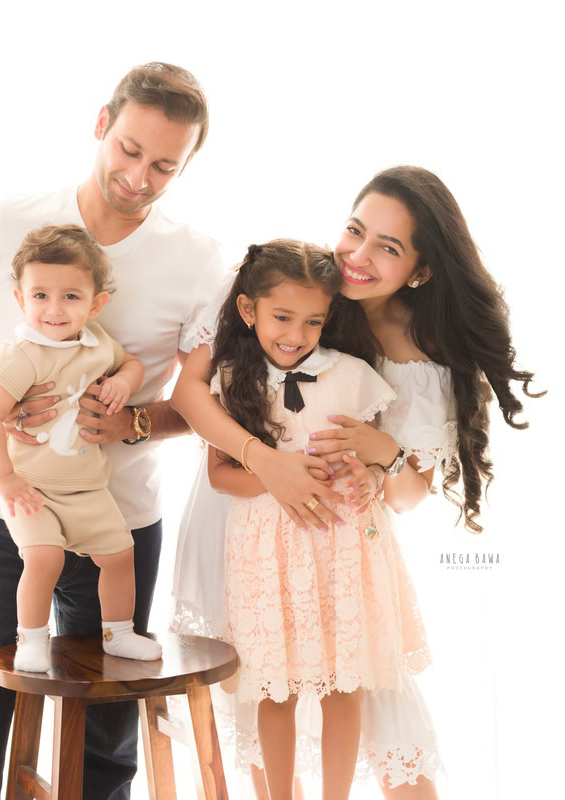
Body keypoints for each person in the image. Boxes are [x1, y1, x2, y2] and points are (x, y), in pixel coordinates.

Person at [0, 62, 223, 800]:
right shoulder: (5, 220)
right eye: (131, 150)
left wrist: (134, 418)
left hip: (119, 519)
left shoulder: (200, 261)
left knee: (105, 749)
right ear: (102, 123)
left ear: (186, 167)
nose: (140, 177)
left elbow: (204, 406)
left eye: (165, 166)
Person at [172, 165, 541, 799]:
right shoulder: (289, 284)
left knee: (369, 698)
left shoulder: (418, 352)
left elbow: (407, 494)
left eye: (387, 248)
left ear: (419, 270)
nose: (358, 256)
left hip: (338, 546)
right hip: (242, 526)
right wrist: (263, 462)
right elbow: (191, 395)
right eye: (355, 229)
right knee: (260, 692)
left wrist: (387, 453)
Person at [187, 238, 430, 800]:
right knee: (277, 688)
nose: (295, 335)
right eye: (281, 318)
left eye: (313, 321)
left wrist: (361, 473)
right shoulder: (231, 378)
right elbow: (221, 474)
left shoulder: (352, 375)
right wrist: (279, 476)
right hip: (266, 549)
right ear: (249, 311)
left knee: (346, 684)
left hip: (343, 544)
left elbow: (374, 459)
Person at [0, 224, 162, 673]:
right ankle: (33, 640)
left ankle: (119, 634)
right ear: (20, 300)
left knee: (120, 556)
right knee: (44, 557)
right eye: (40, 296)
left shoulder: (98, 342)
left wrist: (123, 381)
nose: (54, 309)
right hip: (33, 490)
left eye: (71, 297)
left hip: (88, 490)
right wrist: (4, 478)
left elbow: (132, 362)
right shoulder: (23, 355)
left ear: (96, 303)